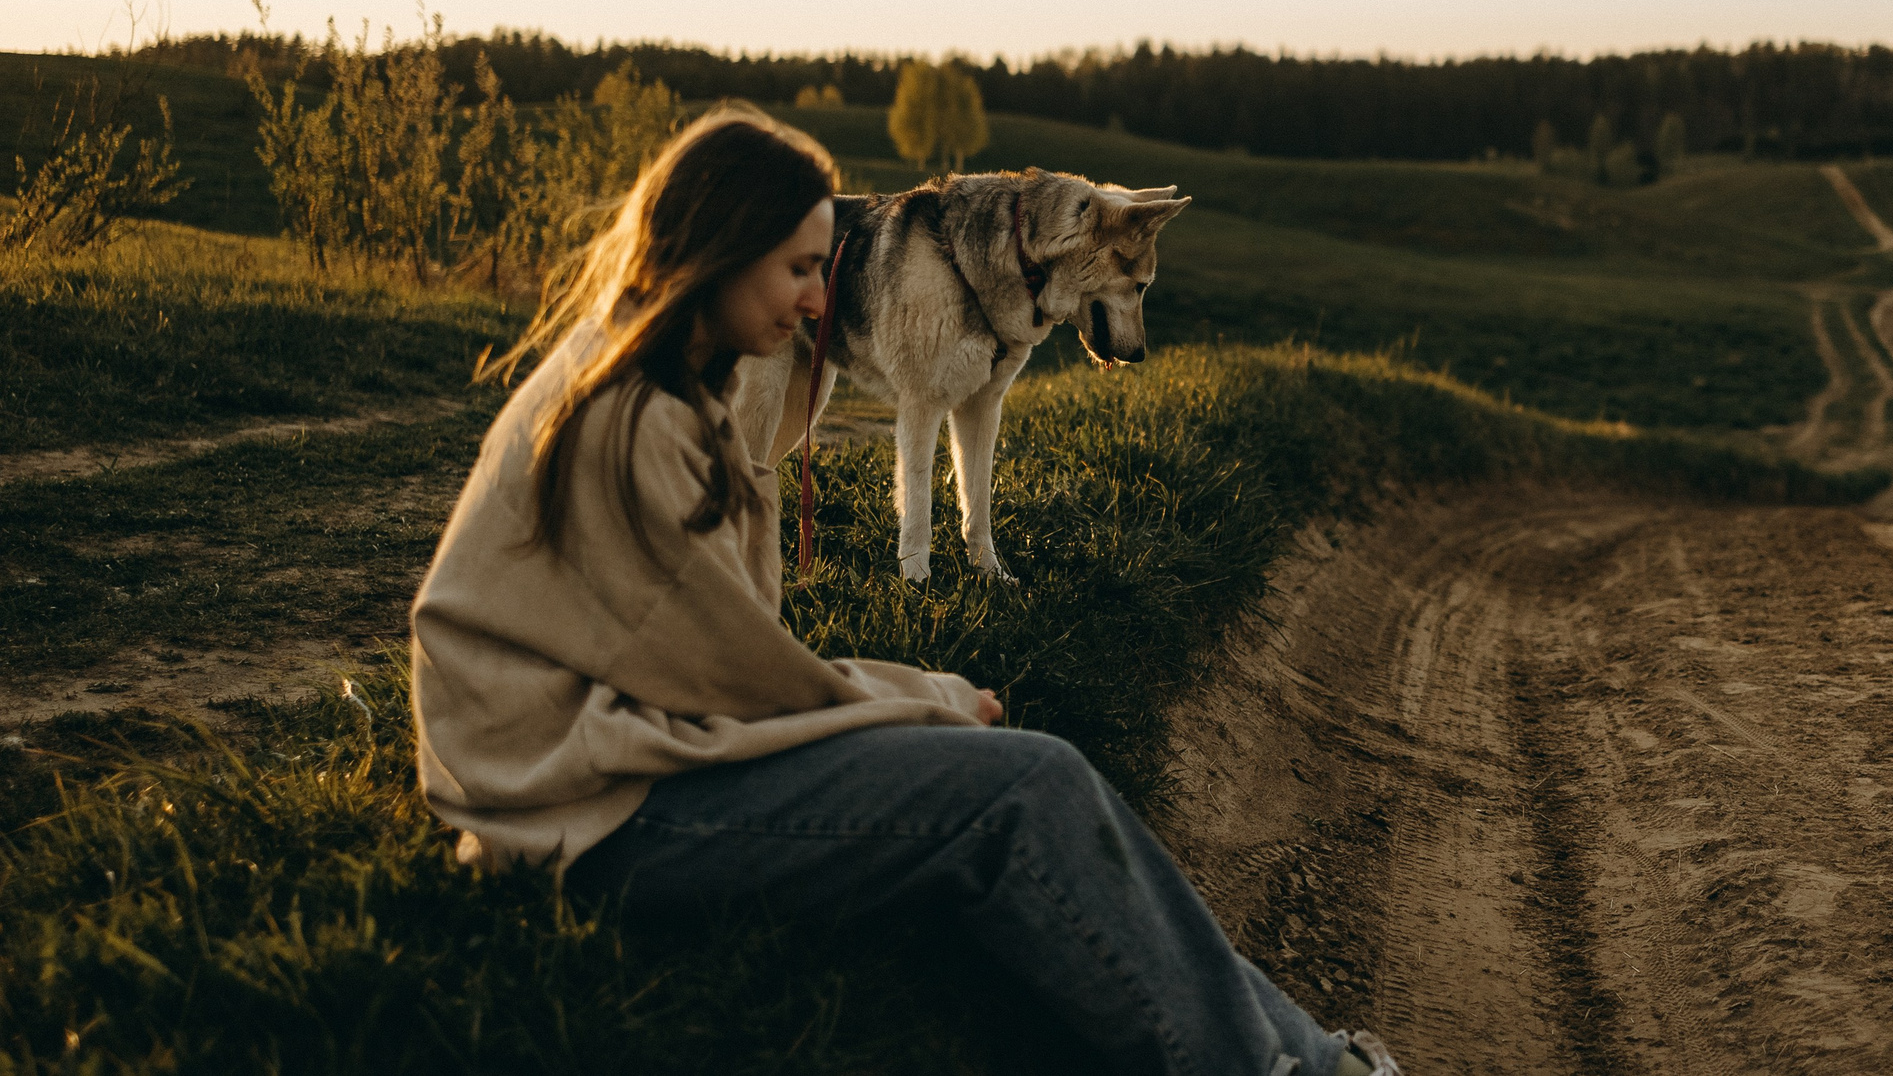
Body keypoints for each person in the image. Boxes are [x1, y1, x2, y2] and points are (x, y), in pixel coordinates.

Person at [409, 107, 1400, 1076]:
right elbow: (734, 682)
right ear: (719, 251)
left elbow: (718, 660)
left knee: (1026, 773)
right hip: (582, 818)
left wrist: (912, 695)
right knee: (1029, 785)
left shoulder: (657, 382)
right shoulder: (633, 422)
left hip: (594, 774)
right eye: (801, 269)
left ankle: (1317, 1061)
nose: (816, 302)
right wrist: (921, 699)